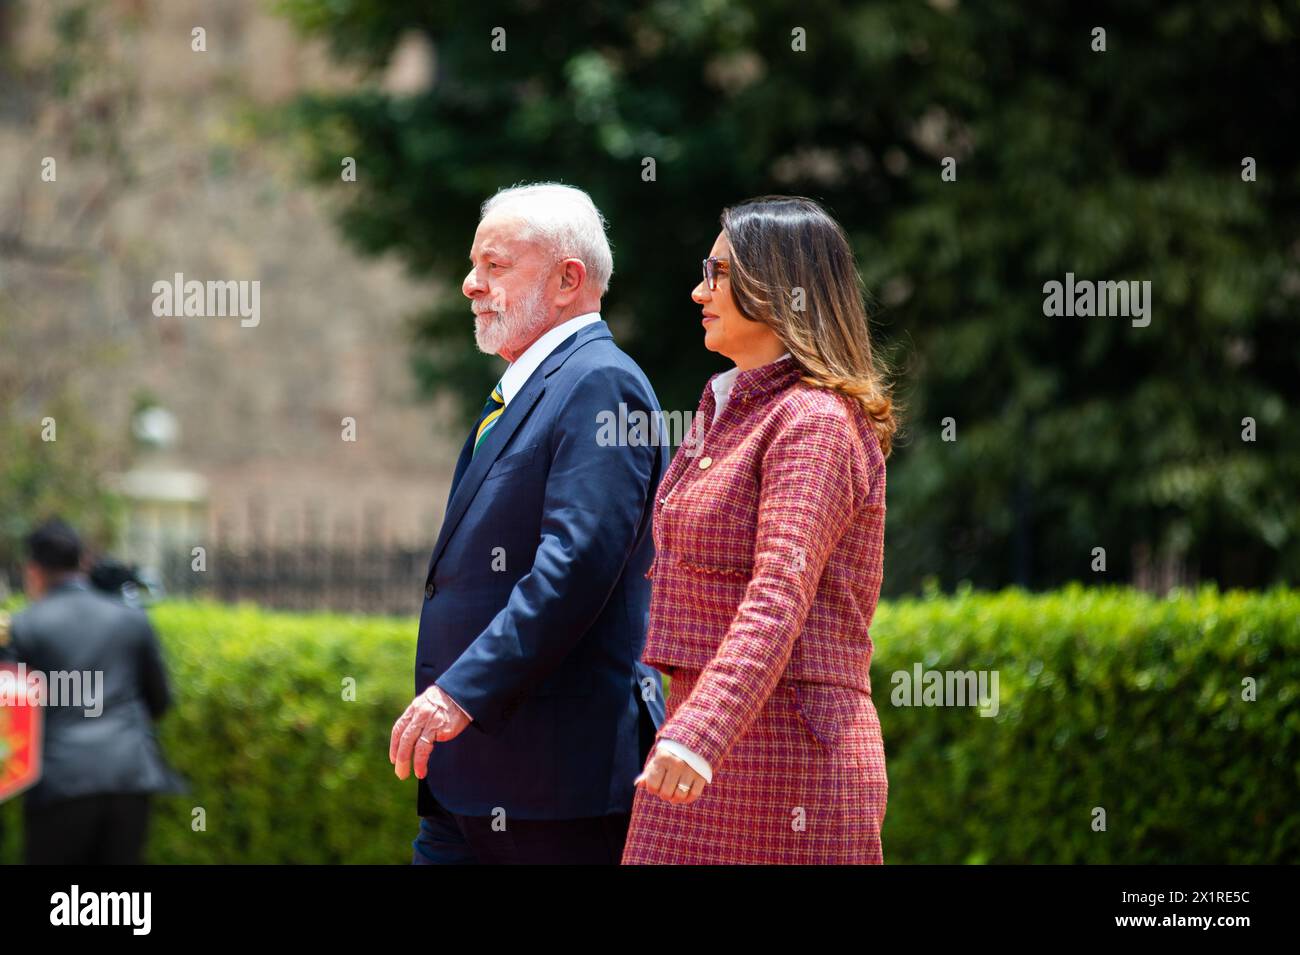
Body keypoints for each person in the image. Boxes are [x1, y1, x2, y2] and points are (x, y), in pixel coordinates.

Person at [389, 182, 668, 864]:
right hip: (474, 780)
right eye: (473, 264)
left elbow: (575, 564)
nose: (469, 284)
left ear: (568, 279)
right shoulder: (529, 388)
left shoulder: (601, 381)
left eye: (494, 265)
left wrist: (460, 690)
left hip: (554, 785)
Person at [622, 196, 897, 864]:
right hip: (703, 741)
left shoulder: (814, 421)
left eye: (716, 272)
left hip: (786, 755)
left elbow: (778, 593)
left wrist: (699, 732)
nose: (698, 290)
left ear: (778, 289)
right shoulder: (729, 406)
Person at [1, 518, 182, 864]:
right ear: (82, 562)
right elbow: (159, 702)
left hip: (60, 782)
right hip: (129, 777)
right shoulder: (131, 619)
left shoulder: (24, 626)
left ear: (33, 571)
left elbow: (11, 717)